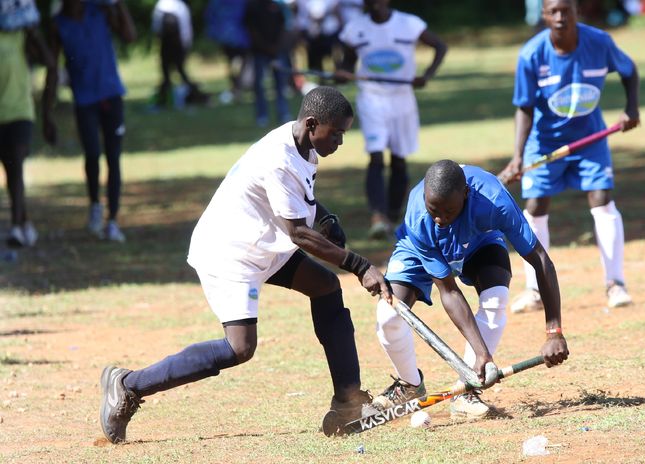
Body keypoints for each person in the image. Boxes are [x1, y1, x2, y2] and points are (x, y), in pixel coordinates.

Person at [98, 87, 393, 443]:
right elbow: (298, 233)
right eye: (337, 133)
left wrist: (326, 217)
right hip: (229, 253)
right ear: (313, 124)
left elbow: (295, 196)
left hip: (262, 242)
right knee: (239, 348)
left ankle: (348, 400)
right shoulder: (280, 156)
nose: (341, 141)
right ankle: (128, 385)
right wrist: (360, 266)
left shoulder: (302, 142)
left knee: (326, 287)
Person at [370, 160, 569, 420]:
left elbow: (540, 260)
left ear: (466, 194)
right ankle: (410, 385)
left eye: (448, 210)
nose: (440, 219)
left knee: (496, 297)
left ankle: (466, 391)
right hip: (419, 246)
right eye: (434, 209)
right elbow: (449, 291)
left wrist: (554, 331)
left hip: (479, 239)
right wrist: (482, 351)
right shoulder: (420, 215)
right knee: (388, 315)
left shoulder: (494, 200)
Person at [500, 0, 640, 312]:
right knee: (536, 205)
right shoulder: (531, 54)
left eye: (566, 10)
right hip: (544, 141)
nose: (561, 17)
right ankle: (535, 291)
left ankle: (615, 284)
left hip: (590, 138)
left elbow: (629, 70)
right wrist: (518, 156)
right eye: (554, 11)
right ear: (545, 15)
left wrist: (632, 108)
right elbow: (524, 107)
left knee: (602, 198)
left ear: (576, 11)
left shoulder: (599, 42)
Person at [336, 0, 447, 240]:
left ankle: (394, 213)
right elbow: (345, 64)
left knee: (398, 158)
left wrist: (426, 76)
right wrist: (342, 74)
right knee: (375, 156)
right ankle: (378, 215)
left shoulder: (409, 24)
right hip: (372, 98)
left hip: (402, 99)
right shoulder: (355, 29)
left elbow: (440, 46)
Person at [43, 0, 136, 242]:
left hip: (111, 93)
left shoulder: (101, 10)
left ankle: (113, 220)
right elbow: (53, 69)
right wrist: (46, 112)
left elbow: (129, 36)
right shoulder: (58, 24)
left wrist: (118, 4)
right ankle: (95, 205)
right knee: (92, 154)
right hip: (85, 100)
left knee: (113, 157)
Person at [1, 5, 54, 248]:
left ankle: (15, 227)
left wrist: (33, 33)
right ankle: (23, 221)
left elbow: (48, 61)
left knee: (16, 162)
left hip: (20, 109)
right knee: (10, 171)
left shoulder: (21, 33)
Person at [151, 0, 208, 108]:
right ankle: (193, 95)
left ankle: (165, 99)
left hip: (166, 44)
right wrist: (186, 44)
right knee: (181, 71)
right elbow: (185, 27)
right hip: (179, 44)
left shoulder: (160, 5)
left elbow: (156, 27)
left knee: (166, 72)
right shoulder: (181, 6)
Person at [245, 0, 292, 126]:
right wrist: (265, 47)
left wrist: (277, 47)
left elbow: (284, 26)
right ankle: (262, 115)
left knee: (280, 84)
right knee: (259, 85)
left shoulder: (278, 5)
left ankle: (283, 113)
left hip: (277, 51)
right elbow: (251, 28)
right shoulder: (253, 6)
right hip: (259, 51)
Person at [205, 0, 252, 103]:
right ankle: (237, 86)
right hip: (236, 37)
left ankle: (236, 86)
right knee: (237, 64)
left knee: (235, 64)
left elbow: (210, 15)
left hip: (232, 37)